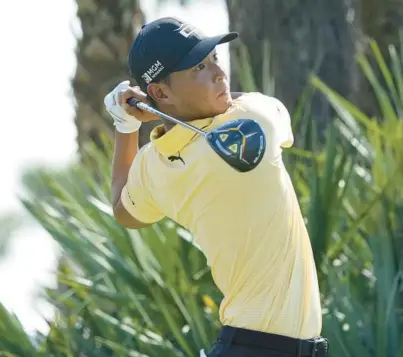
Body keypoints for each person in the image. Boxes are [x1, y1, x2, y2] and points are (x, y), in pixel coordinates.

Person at [104, 16, 329, 357]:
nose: (219, 74)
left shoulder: (155, 165)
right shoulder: (254, 119)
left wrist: (125, 125)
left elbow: (123, 209)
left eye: (214, 60)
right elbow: (273, 110)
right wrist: (159, 112)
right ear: (160, 92)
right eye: (199, 68)